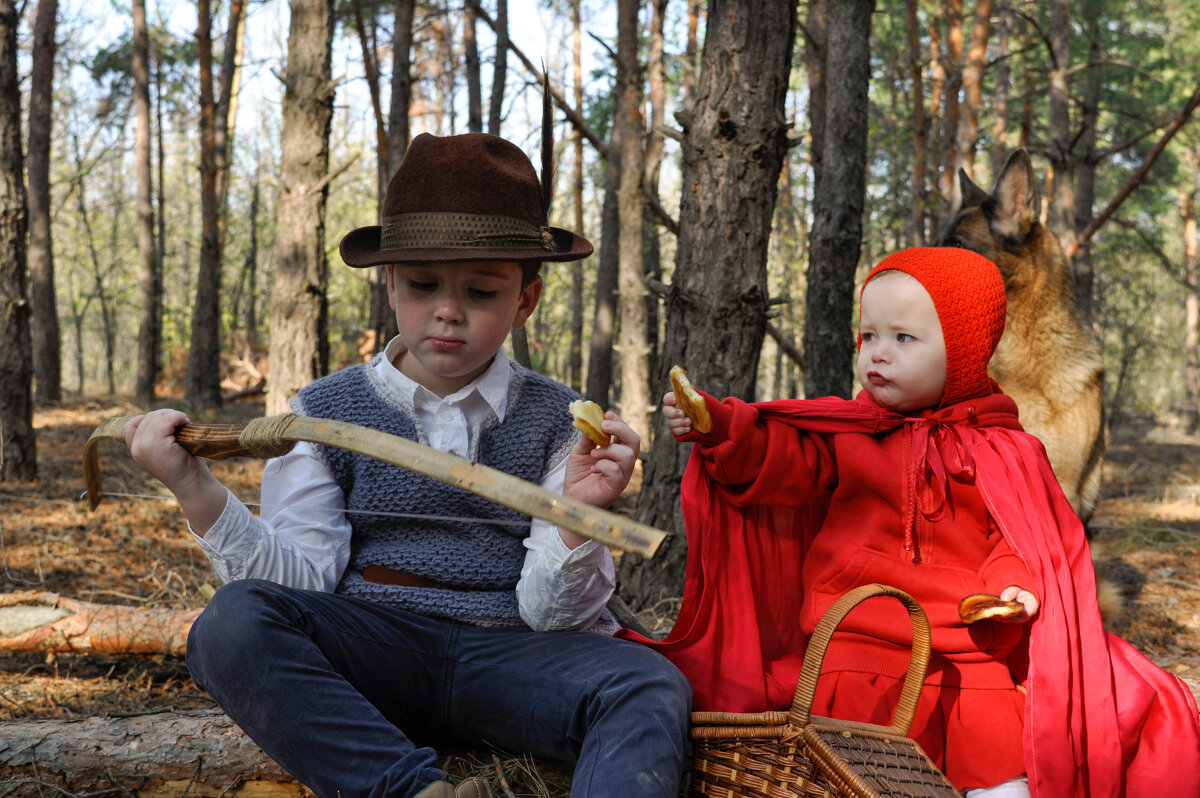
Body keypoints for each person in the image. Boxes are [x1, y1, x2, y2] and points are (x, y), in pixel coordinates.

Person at [123, 131, 691, 798]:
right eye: (423, 285)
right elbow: (302, 584)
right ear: (390, 285)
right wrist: (195, 490)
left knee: (649, 682)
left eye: (481, 292)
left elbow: (552, 618)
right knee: (232, 623)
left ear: (525, 302)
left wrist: (578, 518)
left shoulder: (562, 420)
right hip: (376, 657)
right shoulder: (324, 412)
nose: (448, 310)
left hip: (515, 658)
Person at [623, 247, 1200, 797]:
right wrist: (724, 430)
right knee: (850, 768)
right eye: (868, 335)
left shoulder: (1001, 449)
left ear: (964, 351)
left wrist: (1012, 585)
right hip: (852, 641)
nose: (878, 353)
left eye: (904, 339)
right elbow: (784, 463)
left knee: (1000, 766)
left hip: (966, 649)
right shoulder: (850, 434)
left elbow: (1016, 537)